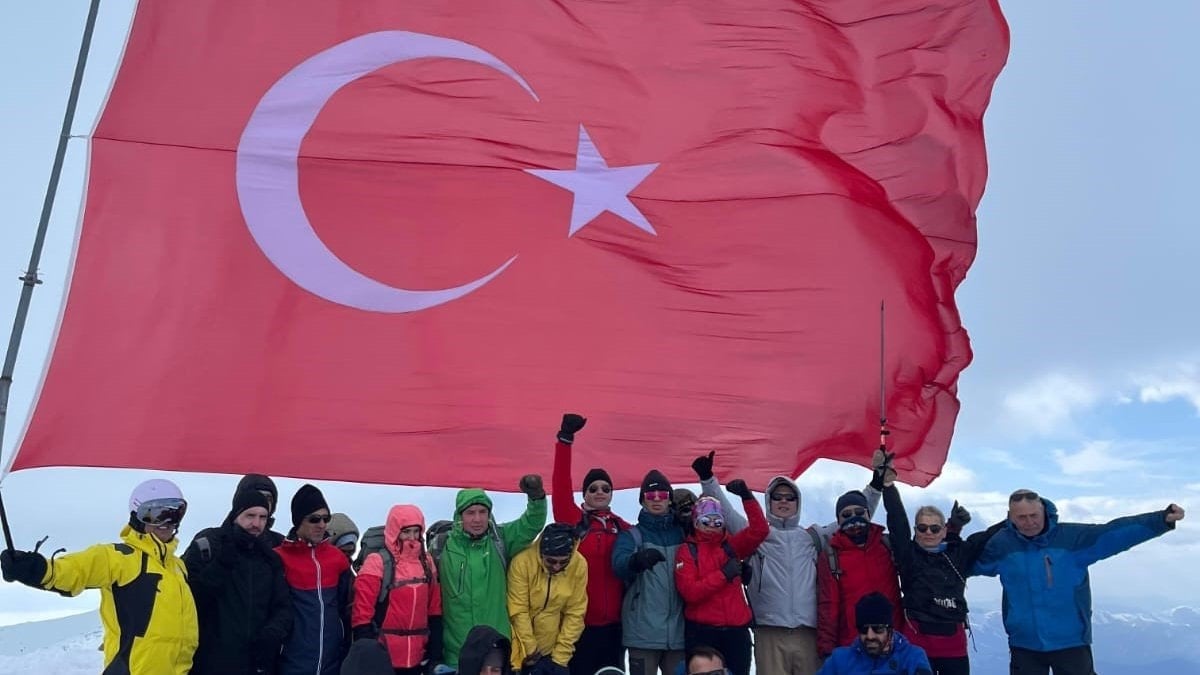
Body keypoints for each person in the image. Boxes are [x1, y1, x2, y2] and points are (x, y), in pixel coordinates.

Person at [695, 451, 881, 675]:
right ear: (769, 501)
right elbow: (727, 512)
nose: (783, 501)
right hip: (769, 632)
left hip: (808, 633)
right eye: (777, 497)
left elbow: (853, 517)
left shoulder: (813, 537)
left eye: (790, 497)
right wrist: (708, 479)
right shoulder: (756, 536)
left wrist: (876, 485)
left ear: (798, 502)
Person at [972, 488, 1185, 675]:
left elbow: (1114, 534)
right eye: (1021, 517)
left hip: (1070, 640)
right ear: (1011, 517)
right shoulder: (1001, 545)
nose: (1029, 522)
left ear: (1044, 511)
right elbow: (966, 563)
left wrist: (1160, 520)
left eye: (1033, 515)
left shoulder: (1072, 538)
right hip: (1024, 642)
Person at [0, 478, 198, 674]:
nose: (167, 522)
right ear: (137, 516)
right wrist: (34, 568)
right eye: (156, 515)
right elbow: (73, 571)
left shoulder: (178, 568)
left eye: (175, 513)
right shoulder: (119, 557)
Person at [881, 473, 1003, 675]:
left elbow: (987, 536)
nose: (928, 532)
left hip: (953, 645)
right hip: (916, 643)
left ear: (944, 531)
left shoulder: (959, 554)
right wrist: (888, 487)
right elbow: (897, 522)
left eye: (935, 528)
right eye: (922, 528)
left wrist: (1014, 518)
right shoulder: (908, 555)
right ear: (915, 530)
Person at [439, 476, 548, 671]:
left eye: (483, 512)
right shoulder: (442, 547)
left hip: (495, 649)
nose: (477, 519)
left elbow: (531, 524)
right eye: (470, 513)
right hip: (457, 650)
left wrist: (537, 498)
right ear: (459, 516)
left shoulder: (501, 540)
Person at [550, 413, 630, 675]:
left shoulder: (623, 528)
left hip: (615, 626)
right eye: (593, 488)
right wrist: (565, 441)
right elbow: (560, 488)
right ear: (584, 494)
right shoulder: (574, 521)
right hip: (578, 625)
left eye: (605, 488)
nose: (599, 492)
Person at [184, 486, 293, 674]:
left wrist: (273, 632)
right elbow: (189, 601)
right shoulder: (209, 545)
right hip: (210, 663)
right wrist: (220, 566)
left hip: (257, 664)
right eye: (250, 515)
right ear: (236, 514)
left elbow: (283, 606)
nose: (256, 524)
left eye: (263, 517)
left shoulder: (270, 559)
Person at [674, 487, 767, 675]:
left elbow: (760, 530)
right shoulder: (687, 551)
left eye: (717, 521)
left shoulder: (731, 546)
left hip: (737, 631)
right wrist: (724, 575)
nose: (712, 525)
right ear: (695, 521)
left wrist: (747, 497)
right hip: (703, 632)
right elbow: (690, 592)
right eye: (705, 521)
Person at [350, 504, 443, 674]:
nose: (412, 538)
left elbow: (434, 608)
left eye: (416, 531)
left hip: (418, 656)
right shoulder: (377, 562)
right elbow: (362, 614)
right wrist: (368, 653)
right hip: (383, 657)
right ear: (394, 531)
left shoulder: (427, 563)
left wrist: (435, 650)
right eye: (406, 532)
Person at [611, 469, 686, 675]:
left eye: (662, 494)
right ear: (642, 500)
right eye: (650, 495)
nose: (657, 499)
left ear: (670, 499)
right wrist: (636, 561)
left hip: (678, 634)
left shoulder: (683, 534)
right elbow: (618, 565)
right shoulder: (632, 536)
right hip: (642, 633)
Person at [275, 484, 354, 674]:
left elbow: (348, 609)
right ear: (298, 520)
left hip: (333, 663)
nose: (322, 525)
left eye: (326, 518)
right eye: (314, 519)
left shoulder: (338, 559)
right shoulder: (278, 558)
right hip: (291, 664)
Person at [817, 484, 902, 659]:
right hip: (853, 648)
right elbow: (828, 605)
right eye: (846, 515)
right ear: (838, 521)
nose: (854, 518)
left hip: (893, 644)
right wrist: (826, 649)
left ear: (868, 514)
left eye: (859, 512)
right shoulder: (831, 556)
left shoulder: (887, 545)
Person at [507, 523, 588, 674]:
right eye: (551, 561)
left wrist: (560, 658)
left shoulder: (579, 565)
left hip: (553, 647)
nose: (557, 567)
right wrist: (531, 650)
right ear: (541, 553)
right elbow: (518, 609)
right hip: (521, 647)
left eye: (563, 562)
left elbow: (575, 613)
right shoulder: (522, 562)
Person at [817, 592, 933, 675]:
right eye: (863, 629)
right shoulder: (839, 660)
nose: (870, 636)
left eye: (877, 629)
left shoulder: (912, 657)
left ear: (890, 630)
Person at [237, 473, 287, 547]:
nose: (263, 501)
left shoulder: (281, 545)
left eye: (268, 498)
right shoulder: (219, 542)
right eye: (257, 495)